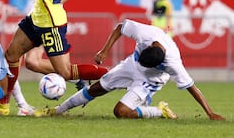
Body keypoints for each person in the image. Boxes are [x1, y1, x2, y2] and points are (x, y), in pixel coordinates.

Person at [34, 19, 226, 121]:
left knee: (121, 112)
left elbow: (191, 86)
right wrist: (104, 50)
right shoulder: (146, 34)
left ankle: (159, 111)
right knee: (97, 89)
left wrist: (209, 112)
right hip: (131, 65)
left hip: (150, 81)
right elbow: (120, 27)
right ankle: (57, 111)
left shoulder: (173, 63)